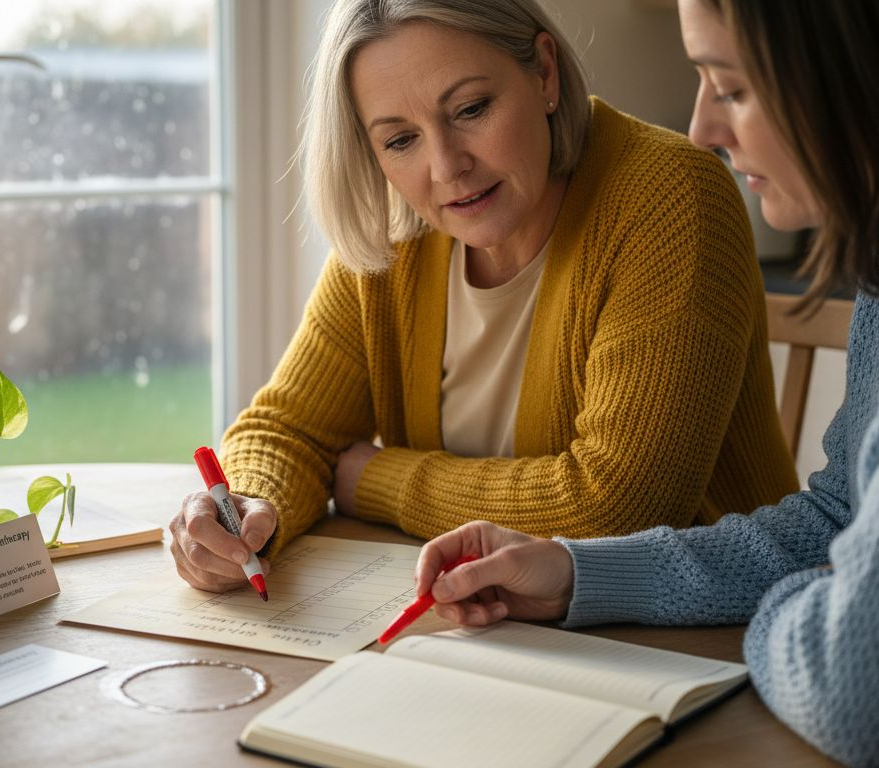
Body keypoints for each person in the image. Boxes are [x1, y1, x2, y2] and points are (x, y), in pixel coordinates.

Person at [413, 1, 879, 765]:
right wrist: (580, 573)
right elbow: (841, 517)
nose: (703, 127)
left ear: (856, 74)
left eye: (730, 88)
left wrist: (800, 605)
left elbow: (868, 694)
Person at [169, 0, 799, 593]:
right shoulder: (399, 230)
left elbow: (615, 506)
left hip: (696, 636)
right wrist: (245, 512)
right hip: (492, 626)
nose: (446, 167)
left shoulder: (669, 196)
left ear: (545, 73)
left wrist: (375, 479)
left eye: (470, 109)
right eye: (399, 140)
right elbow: (290, 430)